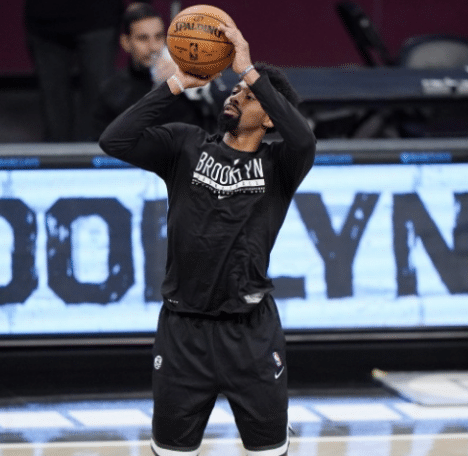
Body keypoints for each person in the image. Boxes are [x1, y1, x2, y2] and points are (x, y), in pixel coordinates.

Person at [99, 19, 316, 456]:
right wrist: (175, 84)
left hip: (251, 333)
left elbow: (304, 138)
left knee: (268, 451)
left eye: (249, 96)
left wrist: (249, 70)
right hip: (184, 331)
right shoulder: (185, 145)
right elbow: (114, 140)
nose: (236, 95)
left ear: (270, 117)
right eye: (235, 90)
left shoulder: (280, 166)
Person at [92, 3, 227, 139]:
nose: (153, 47)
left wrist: (188, 83)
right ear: (126, 42)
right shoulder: (111, 91)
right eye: (143, 38)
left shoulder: (183, 79)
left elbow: (218, 122)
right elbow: (102, 144)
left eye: (158, 37)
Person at [25, 0, 147, 142]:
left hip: (99, 15)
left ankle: (96, 152)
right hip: (44, 19)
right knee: (55, 119)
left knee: (99, 112)